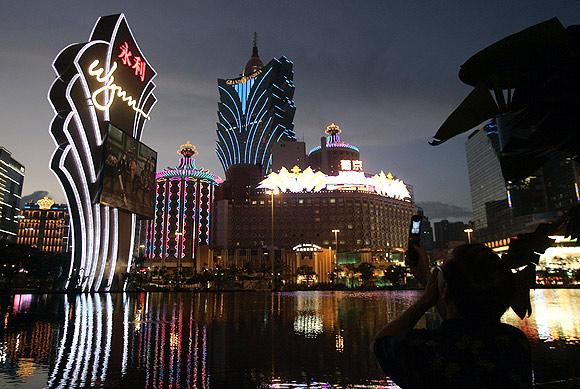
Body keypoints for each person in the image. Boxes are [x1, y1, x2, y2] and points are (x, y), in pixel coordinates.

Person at [373, 244, 532, 388]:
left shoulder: (423, 349)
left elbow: (380, 345)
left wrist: (427, 299)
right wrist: (428, 280)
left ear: (446, 291)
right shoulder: (515, 342)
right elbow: (460, 323)